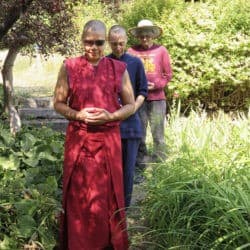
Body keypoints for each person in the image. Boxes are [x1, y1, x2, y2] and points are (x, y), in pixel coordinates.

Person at [53, 19, 135, 250]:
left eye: (98, 42)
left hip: (108, 141)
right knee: (78, 195)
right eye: (88, 42)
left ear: (106, 42)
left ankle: (108, 244)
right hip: (79, 140)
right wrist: (78, 115)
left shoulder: (118, 69)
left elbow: (130, 106)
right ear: (82, 41)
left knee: (107, 195)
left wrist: (110, 116)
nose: (93, 47)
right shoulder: (69, 66)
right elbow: (58, 104)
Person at [107, 25, 148, 207]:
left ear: (126, 42)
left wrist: (132, 109)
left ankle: (124, 209)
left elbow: (143, 91)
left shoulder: (135, 63)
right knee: (108, 170)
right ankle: (110, 206)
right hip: (108, 125)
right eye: (114, 44)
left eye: (121, 43)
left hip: (130, 126)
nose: (118, 47)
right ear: (108, 42)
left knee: (127, 171)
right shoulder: (103, 63)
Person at [128, 19, 173, 165]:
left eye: (147, 35)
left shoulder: (161, 50)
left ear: (153, 35)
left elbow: (168, 75)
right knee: (140, 132)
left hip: (157, 99)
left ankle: (160, 162)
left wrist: (157, 85)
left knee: (158, 133)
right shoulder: (131, 51)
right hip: (138, 99)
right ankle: (141, 161)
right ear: (138, 36)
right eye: (141, 36)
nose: (145, 38)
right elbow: (126, 74)